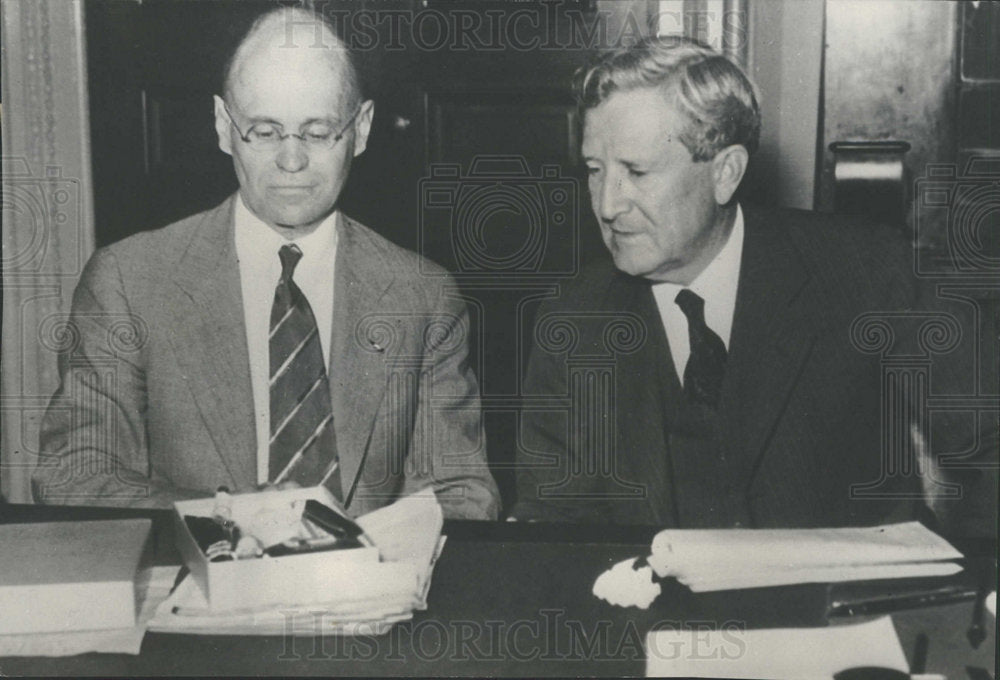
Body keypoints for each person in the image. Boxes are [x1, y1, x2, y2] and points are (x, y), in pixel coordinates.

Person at [513, 37, 996, 535]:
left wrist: (964, 590)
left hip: (853, 605)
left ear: (726, 172)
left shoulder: (866, 271)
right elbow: (555, 520)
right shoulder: (574, 317)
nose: (608, 204)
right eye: (595, 171)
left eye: (636, 171)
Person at [33, 7, 500, 519]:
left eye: (319, 132)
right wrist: (233, 515)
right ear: (222, 126)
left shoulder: (423, 297)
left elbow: (462, 493)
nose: (292, 160)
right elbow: (74, 474)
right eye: (264, 131)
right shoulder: (127, 283)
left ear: (361, 129)